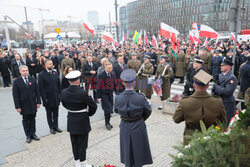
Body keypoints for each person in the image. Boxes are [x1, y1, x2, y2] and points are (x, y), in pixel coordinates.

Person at [173, 70, 226, 145]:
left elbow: (176, 119)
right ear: (207, 86)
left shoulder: (184, 102)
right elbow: (223, 121)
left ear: (194, 85)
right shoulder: (218, 101)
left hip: (190, 140)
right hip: (211, 139)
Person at [115, 69, 153, 167]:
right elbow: (148, 111)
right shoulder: (140, 97)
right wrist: (140, 119)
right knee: (139, 152)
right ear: (135, 83)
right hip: (138, 125)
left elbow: (116, 110)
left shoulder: (118, 98)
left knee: (127, 151)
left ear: (123, 83)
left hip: (124, 125)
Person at [61, 70, 97, 167]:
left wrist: (72, 109)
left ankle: (77, 163)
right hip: (82, 120)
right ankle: (83, 164)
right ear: (78, 81)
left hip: (71, 118)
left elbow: (64, 104)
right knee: (83, 143)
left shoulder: (64, 92)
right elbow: (94, 106)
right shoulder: (83, 93)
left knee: (74, 142)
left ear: (69, 81)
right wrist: (89, 113)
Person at [12, 65, 41, 143]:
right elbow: (15, 95)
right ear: (20, 71)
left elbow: (37, 91)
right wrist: (17, 107)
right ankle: (28, 135)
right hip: (23, 104)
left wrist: (38, 102)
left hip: (32, 103)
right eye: (23, 71)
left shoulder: (32, 79)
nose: (25, 72)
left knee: (33, 119)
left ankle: (33, 134)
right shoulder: (17, 81)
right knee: (25, 120)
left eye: (26, 70)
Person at [38, 59, 62, 134]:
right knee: (49, 114)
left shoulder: (55, 73)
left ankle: (56, 126)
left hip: (56, 97)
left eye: (51, 64)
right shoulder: (41, 75)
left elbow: (59, 85)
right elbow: (41, 88)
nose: (51, 65)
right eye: (49, 64)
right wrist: (44, 99)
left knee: (56, 113)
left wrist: (60, 95)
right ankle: (51, 127)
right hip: (48, 98)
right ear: (45, 65)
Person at [212, 57, 237, 125]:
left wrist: (217, 87)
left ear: (229, 67)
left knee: (225, 123)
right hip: (218, 102)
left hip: (227, 103)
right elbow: (214, 89)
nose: (221, 67)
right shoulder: (219, 76)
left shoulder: (232, 78)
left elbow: (228, 91)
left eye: (223, 65)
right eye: (221, 65)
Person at [97, 62, 117, 130]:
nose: (110, 69)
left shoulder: (113, 73)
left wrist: (116, 91)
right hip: (104, 94)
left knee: (110, 108)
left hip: (110, 94)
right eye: (109, 68)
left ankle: (108, 121)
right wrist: (98, 97)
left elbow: (115, 83)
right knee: (107, 110)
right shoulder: (101, 75)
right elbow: (98, 86)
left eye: (111, 68)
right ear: (105, 68)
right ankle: (107, 123)